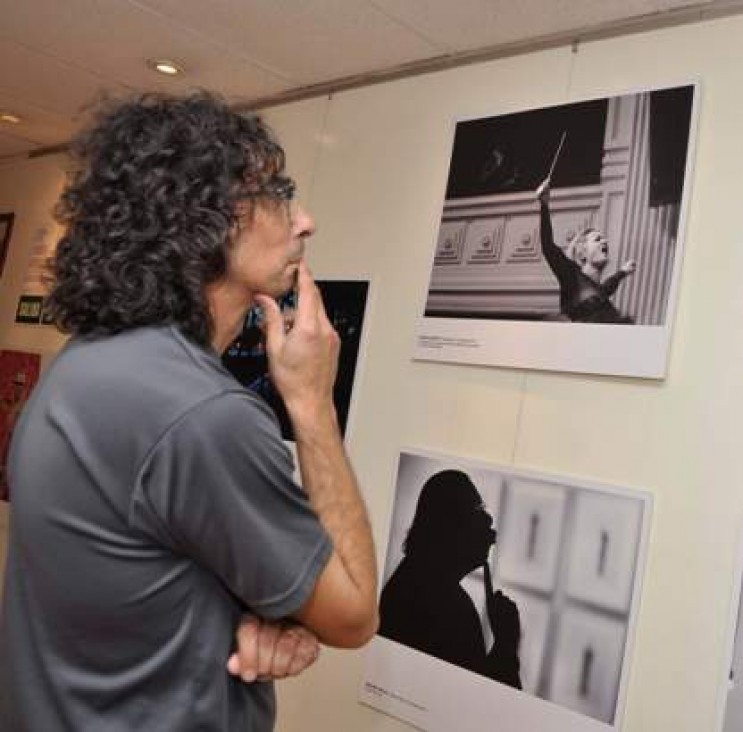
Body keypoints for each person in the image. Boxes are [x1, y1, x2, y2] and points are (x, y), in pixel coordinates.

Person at [0, 92, 379, 731]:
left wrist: (268, 618)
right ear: (208, 220)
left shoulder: (83, 362)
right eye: (280, 193)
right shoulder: (203, 413)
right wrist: (312, 402)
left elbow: (150, 573)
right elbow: (353, 613)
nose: (304, 221)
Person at [378, 469, 522, 688]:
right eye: (477, 509)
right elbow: (478, 705)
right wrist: (506, 643)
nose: (488, 519)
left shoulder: (409, 583)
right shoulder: (445, 604)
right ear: (447, 524)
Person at [536, 177, 636, 323]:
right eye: (597, 239)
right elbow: (549, 248)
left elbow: (607, 287)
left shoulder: (599, 291)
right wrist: (544, 204)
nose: (605, 240)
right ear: (582, 253)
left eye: (603, 238)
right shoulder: (572, 276)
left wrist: (623, 272)